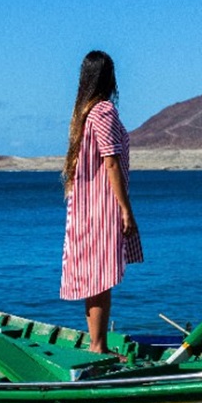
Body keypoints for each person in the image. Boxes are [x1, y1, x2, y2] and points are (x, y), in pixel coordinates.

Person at [60, 50, 143, 354]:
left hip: (84, 205)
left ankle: (97, 343)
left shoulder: (83, 112)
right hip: (101, 205)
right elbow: (110, 163)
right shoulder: (104, 111)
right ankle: (98, 346)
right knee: (101, 278)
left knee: (94, 277)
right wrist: (125, 209)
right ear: (110, 77)